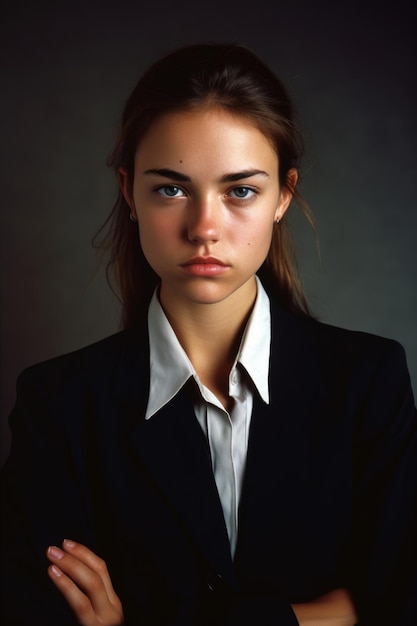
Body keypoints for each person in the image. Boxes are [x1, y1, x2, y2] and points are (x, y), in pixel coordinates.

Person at [1, 42, 416, 626]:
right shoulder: (59, 405)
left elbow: (398, 602)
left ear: (284, 195)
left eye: (240, 190)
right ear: (129, 191)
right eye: (171, 188)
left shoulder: (368, 381)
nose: (203, 228)